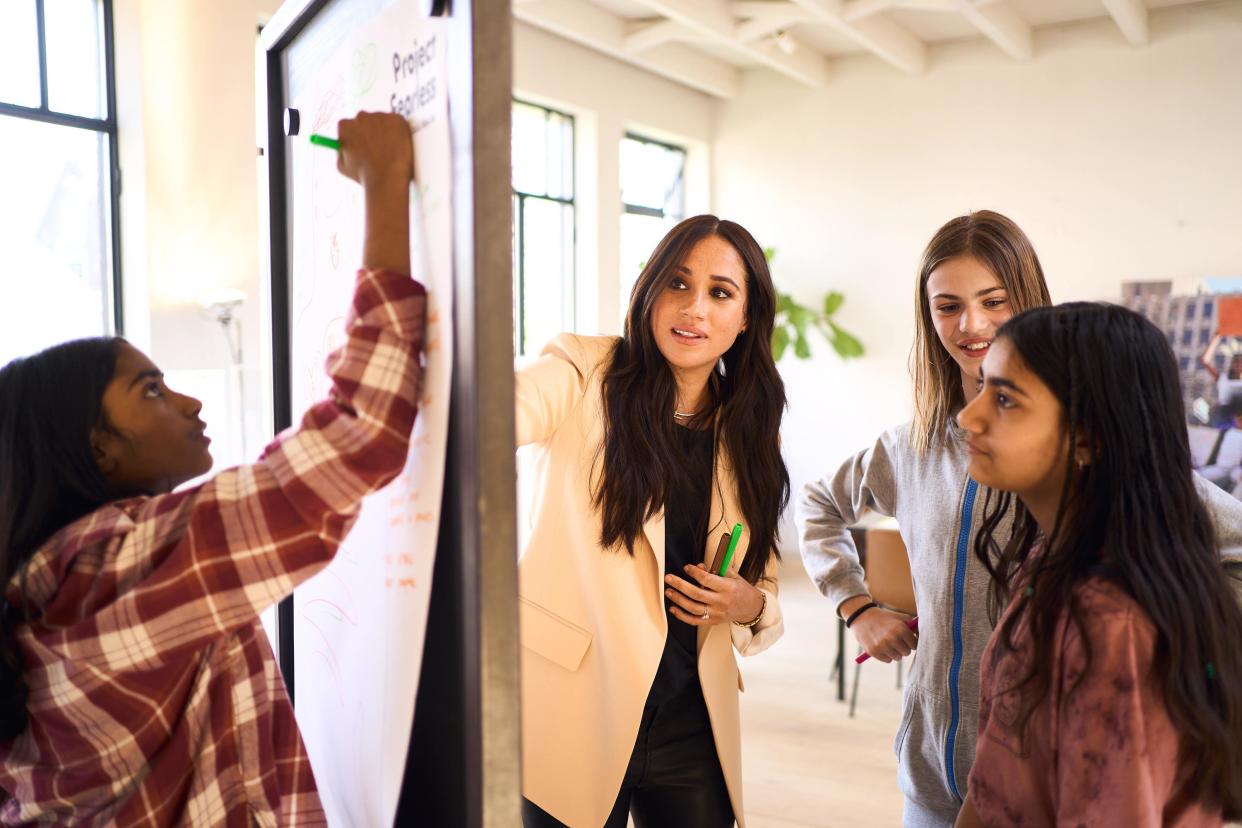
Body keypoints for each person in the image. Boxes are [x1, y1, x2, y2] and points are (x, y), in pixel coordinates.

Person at [0, 112, 424, 825]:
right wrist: (385, 185)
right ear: (97, 448)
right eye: (153, 391)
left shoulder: (41, 588)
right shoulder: (122, 564)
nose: (190, 401)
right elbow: (358, 436)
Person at [796, 210, 1242, 827]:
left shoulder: (1106, 582)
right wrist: (857, 606)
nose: (970, 324)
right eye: (947, 305)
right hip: (936, 776)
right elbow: (816, 501)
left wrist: (1181, 645)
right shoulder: (912, 446)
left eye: (994, 301)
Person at [515, 215, 788, 828]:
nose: (694, 309)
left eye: (720, 293)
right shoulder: (583, 372)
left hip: (691, 715)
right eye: (678, 283)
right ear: (649, 288)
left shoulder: (748, 432)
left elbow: (761, 587)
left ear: (746, 318)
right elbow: (499, 410)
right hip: (575, 705)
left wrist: (745, 603)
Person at [954, 303, 1242, 826]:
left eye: (1003, 400)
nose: (967, 417)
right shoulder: (1049, 563)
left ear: (1087, 436)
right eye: (981, 390)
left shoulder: (1112, 627)